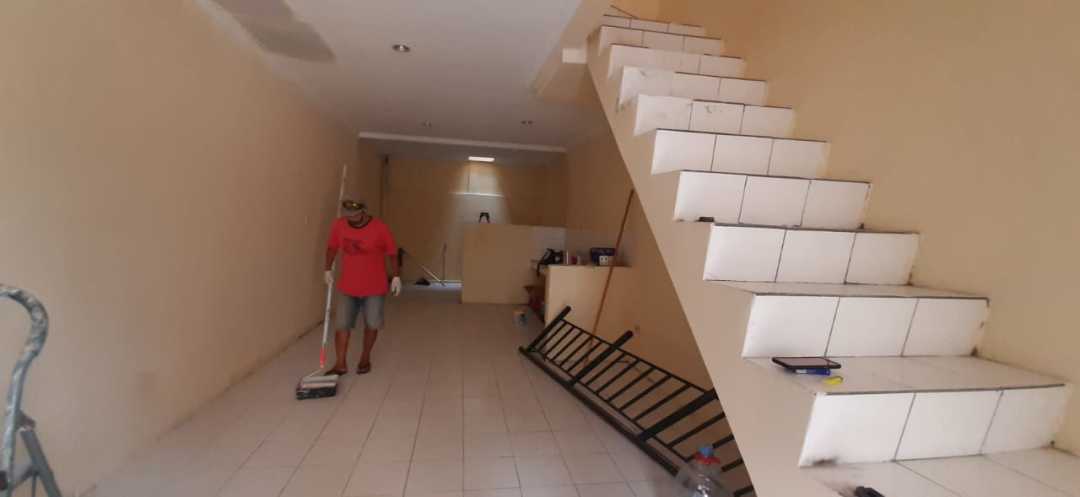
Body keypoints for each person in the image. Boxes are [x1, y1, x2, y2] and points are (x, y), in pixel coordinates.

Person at [324, 199, 401, 375]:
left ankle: (365, 358)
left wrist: (396, 276)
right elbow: (332, 247)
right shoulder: (339, 225)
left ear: (363, 212)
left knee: (372, 324)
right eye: (348, 216)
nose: (350, 219)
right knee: (342, 325)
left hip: (374, 287)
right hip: (348, 286)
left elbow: (392, 252)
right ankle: (340, 364)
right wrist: (327, 269)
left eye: (354, 215)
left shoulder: (380, 228)